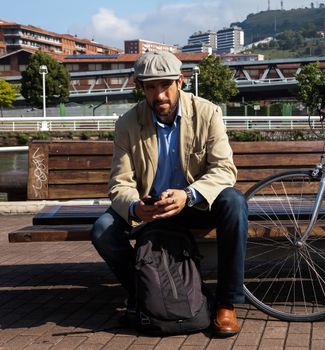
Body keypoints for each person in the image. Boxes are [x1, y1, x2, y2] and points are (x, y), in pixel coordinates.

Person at [90, 51, 248, 337]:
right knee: (102, 230)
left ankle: (227, 303)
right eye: (150, 87)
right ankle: (147, 296)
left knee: (234, 203)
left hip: (194, 205)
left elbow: (225, 170)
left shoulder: (207, 113)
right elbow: (119, 183)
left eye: (165, 85)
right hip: (150, 210)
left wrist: (189, 195)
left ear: (180, 81)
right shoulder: (127, 123)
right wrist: (137, 207)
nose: (158, 94)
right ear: (142, 88)